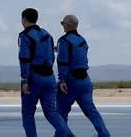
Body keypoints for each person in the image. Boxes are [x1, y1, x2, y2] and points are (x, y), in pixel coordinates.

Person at [18, 8, 75, 137]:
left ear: (24, 19)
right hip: (49, 77)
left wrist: (24, 79)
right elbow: (52, 56)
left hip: (34, 77)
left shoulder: (24, 36)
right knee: (51, 111)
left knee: (28, 113)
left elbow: (24, 58)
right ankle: (67, 134)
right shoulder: (47, 35)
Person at [57, 14, 111, 136]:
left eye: (63, 23)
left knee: (60, 111)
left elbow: (63, 62)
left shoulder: (63, 41)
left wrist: (62, 80)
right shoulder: (82, 40)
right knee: (91, 111)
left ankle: (64, 135)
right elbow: (78, 55)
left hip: (71, 81)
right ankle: (104, 134)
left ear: (67, 25)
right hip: (85, 81)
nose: (62, 26)